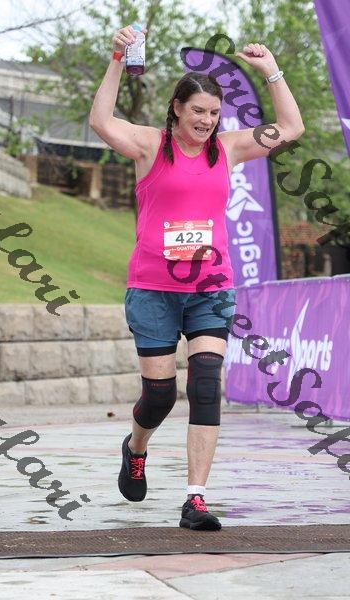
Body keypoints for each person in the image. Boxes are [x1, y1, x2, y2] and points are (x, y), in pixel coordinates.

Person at [89, 25, 305, 530]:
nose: (207, 120)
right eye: (198, 111)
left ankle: (195, 499)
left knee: (206, 385)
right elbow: (100, 120)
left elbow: (291, 127)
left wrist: (271, 71)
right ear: (177, 109)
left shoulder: (227, 149)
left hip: (210, 290)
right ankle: (135, 447)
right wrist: (118, 58)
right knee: (160, 397)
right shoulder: (150, 145)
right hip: (153, 291)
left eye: (214, 113)